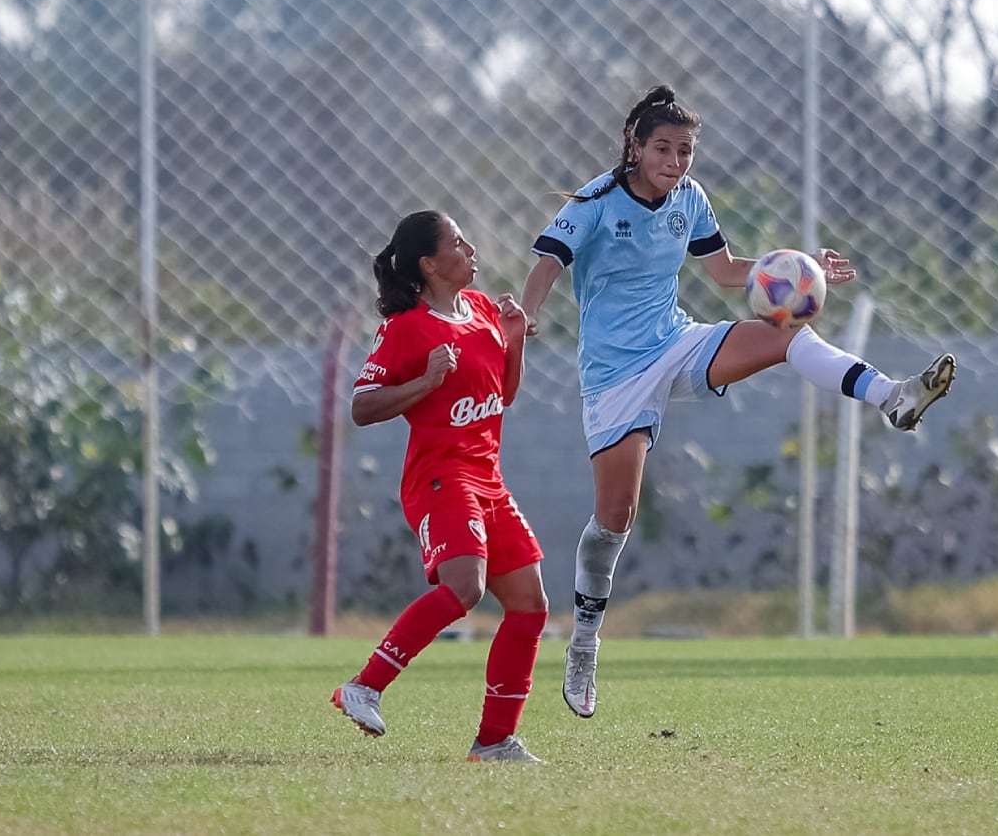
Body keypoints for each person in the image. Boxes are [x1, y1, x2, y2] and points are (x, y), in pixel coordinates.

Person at [521, 84, 956, 719]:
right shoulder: (596, 200)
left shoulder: (690, 199)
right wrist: (525, 317)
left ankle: (892, 397)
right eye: (664, 148)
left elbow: (725, 272)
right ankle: (584, 641)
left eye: (686, 150)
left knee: (786, 335)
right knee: (615, 516)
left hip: (677, 341)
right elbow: (545, 264)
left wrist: (801, 267)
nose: (676, 160)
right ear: (636, 147)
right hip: (613, 375)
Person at [331, 209, 549, 763]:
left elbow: (503, 397)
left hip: (487, 478)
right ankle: (364, 686)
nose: (471, 247)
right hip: (440, 477)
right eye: (458, 241)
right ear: (429, 263)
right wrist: (425, 380)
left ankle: (495, 740)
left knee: (529, 606)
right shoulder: (408, 327)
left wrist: (515, 340)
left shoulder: (479, 310)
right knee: (465, 586)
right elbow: (361, 407)